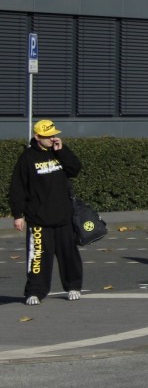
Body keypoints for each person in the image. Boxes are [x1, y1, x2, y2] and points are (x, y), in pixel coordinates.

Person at [8, 119, 84, 305]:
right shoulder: (27, 158)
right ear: (37, 137)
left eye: (53, 135)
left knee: (69, 255)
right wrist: (18, 215)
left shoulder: (58, 152)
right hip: (38, 219)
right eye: (48, 136)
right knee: (38, 257)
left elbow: (75, 168)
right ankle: (35, 291)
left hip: (63, 217)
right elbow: (17, 188)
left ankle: (73, 286)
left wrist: (61, 150)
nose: (52, 139)